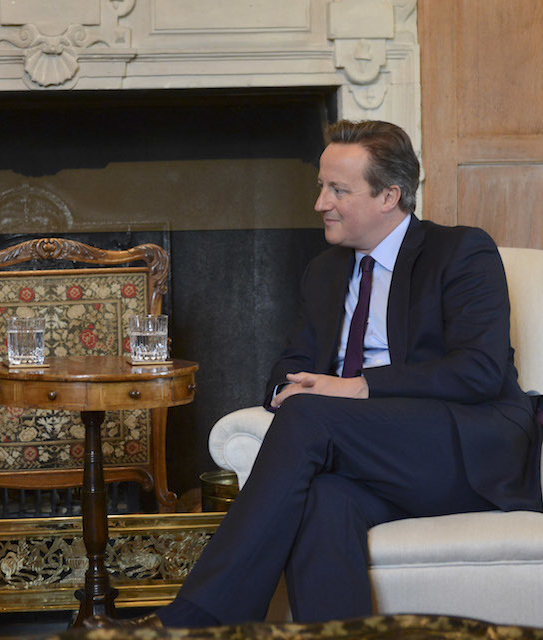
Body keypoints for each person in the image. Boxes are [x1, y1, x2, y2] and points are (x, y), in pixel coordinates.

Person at [92, 119, 542, 629]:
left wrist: (356, 387)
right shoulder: (325, 272)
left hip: (462, 451)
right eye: (321, 186)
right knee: (324, 501)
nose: (320, 203)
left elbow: (480, 371)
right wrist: (291, 387)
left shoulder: (460, 251)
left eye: (338, 190)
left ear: (389, 196)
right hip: (368, 453)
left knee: (310, 417)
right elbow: (289, 364)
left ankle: (196, 620)